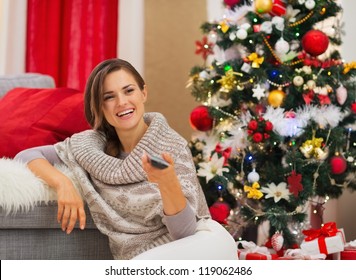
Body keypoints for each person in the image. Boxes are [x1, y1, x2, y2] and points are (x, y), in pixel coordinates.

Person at [15, 58, 211, 259]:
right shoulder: (89, 147)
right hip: (132, 262)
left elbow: (185, 234)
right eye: (109, 97)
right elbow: (27, 155)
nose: (122, 102)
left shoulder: (171, 147)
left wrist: (167, 182)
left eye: (128, 91)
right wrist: (62, 183)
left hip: (178, 255)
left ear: (143, 93)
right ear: (99, 107)